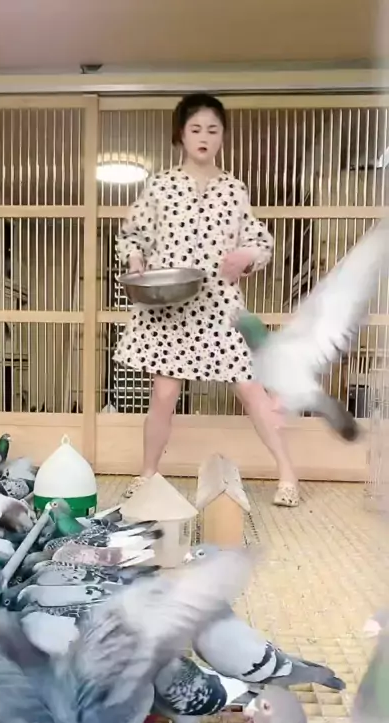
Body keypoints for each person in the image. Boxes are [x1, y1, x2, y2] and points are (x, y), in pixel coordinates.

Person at [115, 92, 299, 508]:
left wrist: (246, 257)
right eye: (195, 129)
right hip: (169, 306)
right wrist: (136, 258)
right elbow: (132, 235)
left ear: (222, 137)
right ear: (180, 134)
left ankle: (288, 474)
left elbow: (260, 242)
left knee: (252, 390)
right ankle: (148, 474)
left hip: (220, 306)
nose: (204, 137)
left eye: (213, 130)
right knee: (164, 394)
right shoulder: (160, 185)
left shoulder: (234, 189)